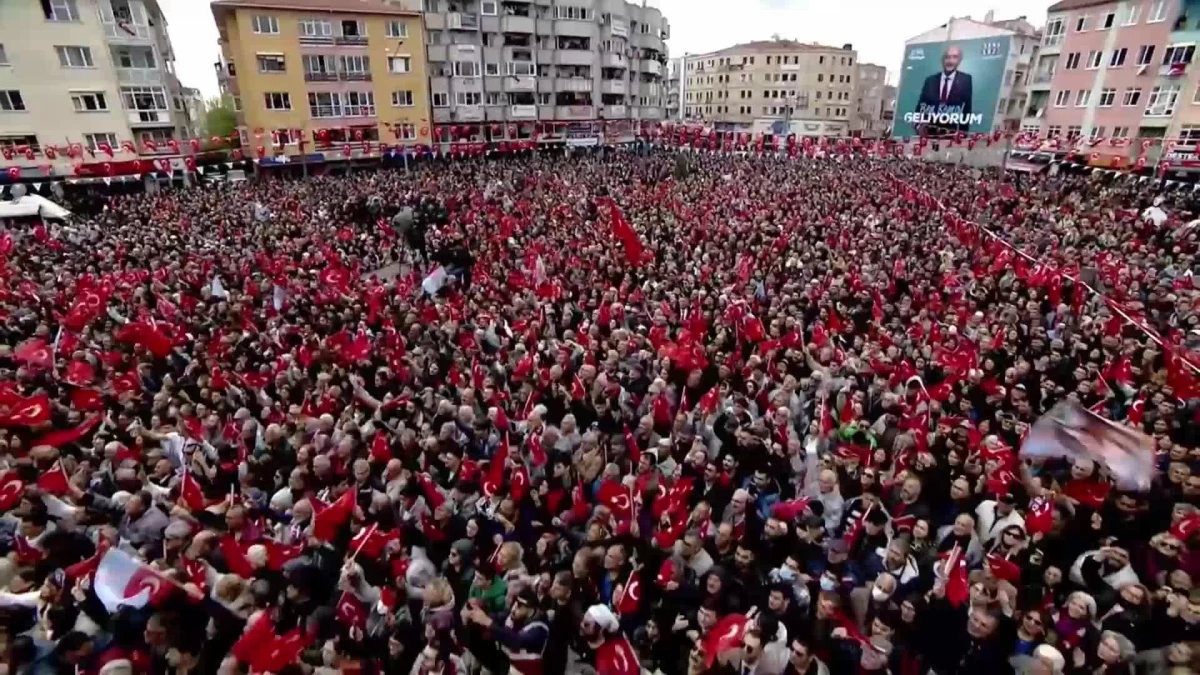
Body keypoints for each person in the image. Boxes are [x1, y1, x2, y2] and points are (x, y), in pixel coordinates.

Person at [915, 44, 974, 134]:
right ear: (942, 60)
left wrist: (963, 134)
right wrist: (918, 126)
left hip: (951, 135)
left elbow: (966, 109)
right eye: (947, 57)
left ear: (959, 60)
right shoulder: (930, 80)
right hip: (929, 133)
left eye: (954, 57)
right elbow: (920, 106)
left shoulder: (966, 79)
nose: (950, 61)